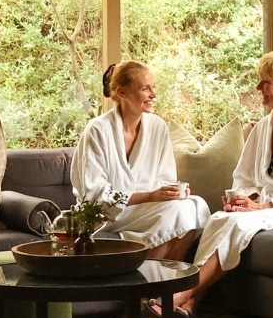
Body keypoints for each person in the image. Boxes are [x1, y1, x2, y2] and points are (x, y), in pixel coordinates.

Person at [168, 49, 273, 318]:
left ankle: (180, 295)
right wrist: (244, 199)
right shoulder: (262, 127)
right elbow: (244, 175)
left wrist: (262, 207)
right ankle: (192, 305)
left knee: (239, 226)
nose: (259, 88)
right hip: (266, 208)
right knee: (221, 218)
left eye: (266, 82)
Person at [71, 61, 210, 263]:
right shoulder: (98, 130)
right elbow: (95, 197)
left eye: (153, 88)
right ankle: (149, 283)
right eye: (145, 89)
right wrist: (150, 196)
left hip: (147, 211)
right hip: (104, 215)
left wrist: (171, 193)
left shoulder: (157, 127)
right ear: (122, 92)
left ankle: (161, 284)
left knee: (195, 205)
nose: (153, 94)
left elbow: (165, 178)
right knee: (182, 211)